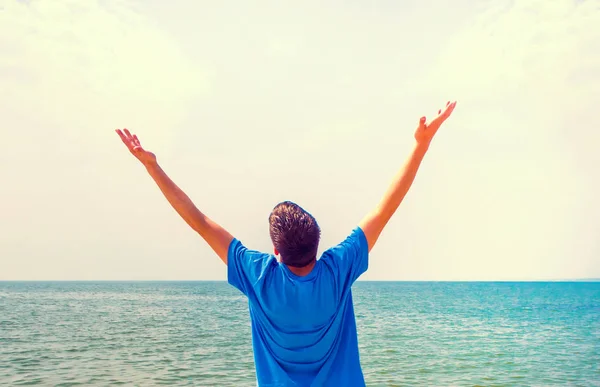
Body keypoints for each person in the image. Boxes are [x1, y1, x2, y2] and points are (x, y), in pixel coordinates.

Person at [116, 101, 457, 386]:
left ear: (276, 252)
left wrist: (152, 167)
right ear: (318, 245)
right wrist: (420, 146)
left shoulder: (259, 276)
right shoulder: (337, 270)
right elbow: (386, 208)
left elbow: (198, 221)